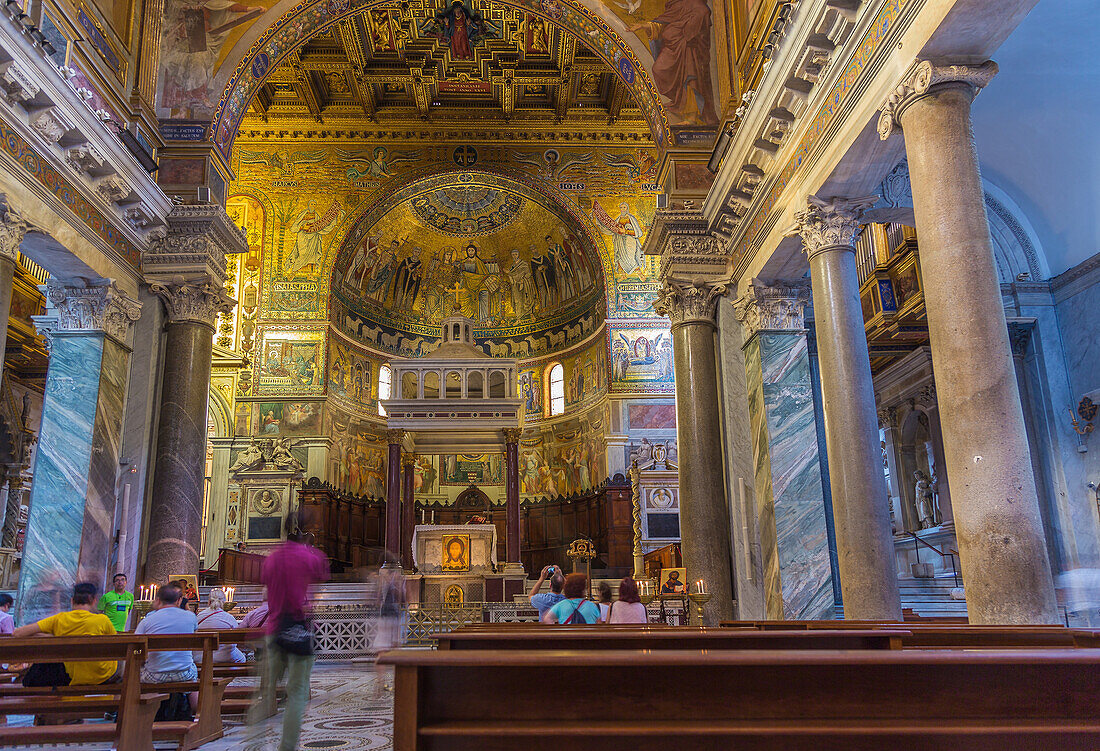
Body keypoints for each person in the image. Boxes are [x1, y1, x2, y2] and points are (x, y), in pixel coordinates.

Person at [248, 513, 330, 751]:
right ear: (307, 531)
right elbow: (316, 588)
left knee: (265, 693)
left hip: (274, 630)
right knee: (297, 694)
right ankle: (287, 747)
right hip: (299, 629)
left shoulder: (272, 558)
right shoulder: (312, 556)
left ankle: (253, 743)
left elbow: (265, 588)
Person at [14, 583, 117, 686]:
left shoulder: (59, 619)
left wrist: (55, 637)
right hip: (101, 674)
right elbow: (115, 644)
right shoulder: (103, 620)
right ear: (94, 601)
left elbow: (18, 633)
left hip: (72, 675)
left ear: (72, 600)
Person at [135, 585, 199, 711]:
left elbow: (136, 646)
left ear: (158, 600)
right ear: (179, 601)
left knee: (136, 670)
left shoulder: (148, 620)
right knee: (193, 669)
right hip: (184, 673)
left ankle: (140, 710)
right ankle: (197, 712)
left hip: (155, 675)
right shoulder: (191, 617)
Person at [194, 588, 246, 664]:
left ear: (209, 601)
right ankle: (229, 676)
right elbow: (236, 638)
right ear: (223, 602)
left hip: (201, 657)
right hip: (224, 656)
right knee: (242, 659)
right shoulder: (229, 618)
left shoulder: (199, 616)